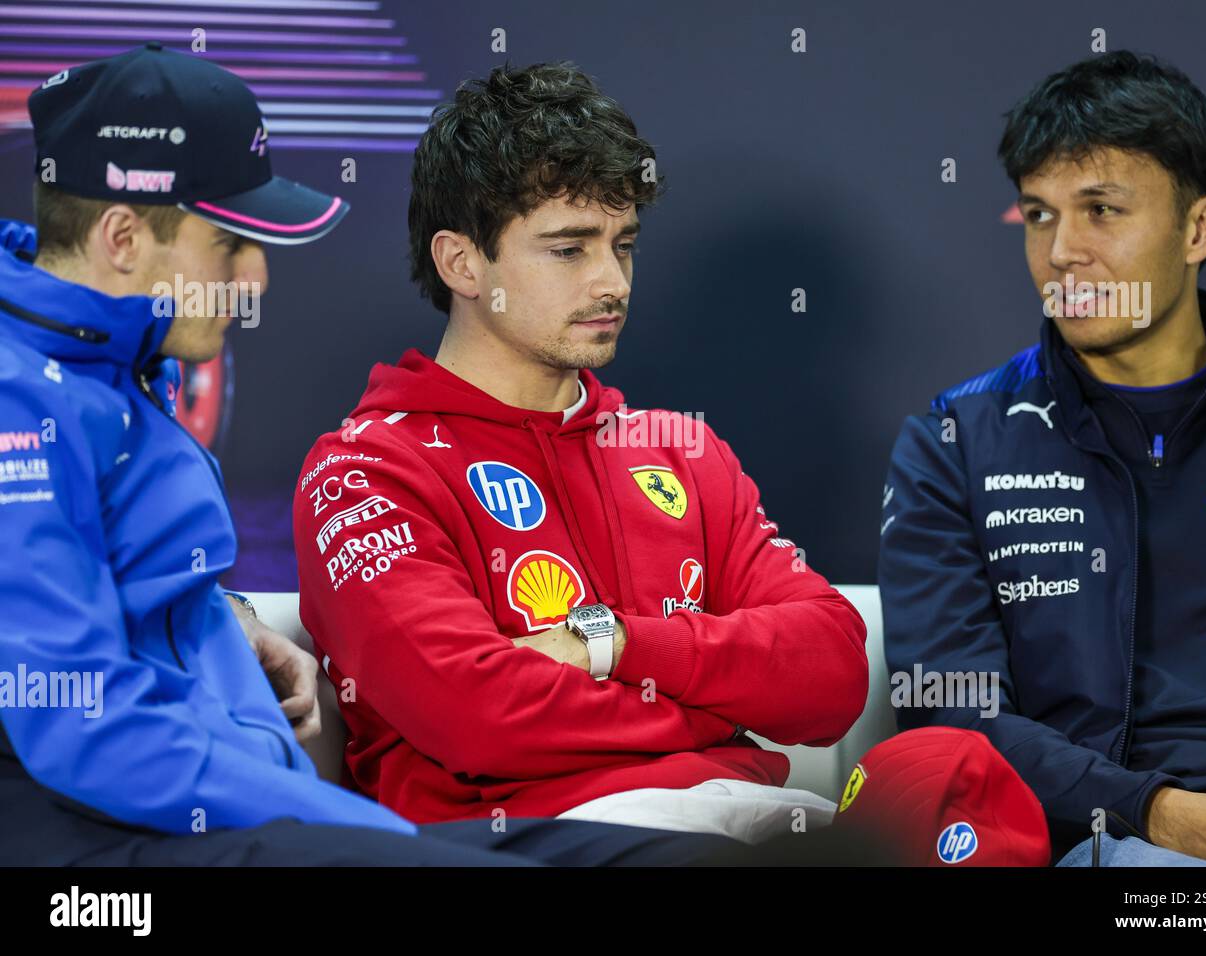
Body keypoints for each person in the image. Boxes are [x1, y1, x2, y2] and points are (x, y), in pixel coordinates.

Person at [0, 45, 739, 867]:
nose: (256, 278)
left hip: (232, 815)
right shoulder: (18, 401)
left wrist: (223, 614)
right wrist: (355, 829)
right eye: (230, 243)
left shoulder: (127, 368)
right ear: (124, 235)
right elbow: (86, 728)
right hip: (97, 845)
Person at [291, 61, 871, 843]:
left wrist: (614, 643)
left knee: (950, 781)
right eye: (569, 249)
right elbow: (477, 715)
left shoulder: (681, 449)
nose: (613, 283)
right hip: (542, 838)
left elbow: (832, 676)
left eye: (622, 244)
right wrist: (713, 707)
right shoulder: (367, 471)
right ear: (463, 263)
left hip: (755, 824)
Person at [879, 50, 1206, 867]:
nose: (1062, 251)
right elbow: (949, 714)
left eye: (1101, 209)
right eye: (1039, 215)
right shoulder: (956, 441)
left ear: (1200, 227)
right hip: (1120, 838)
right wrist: (1157, 811)